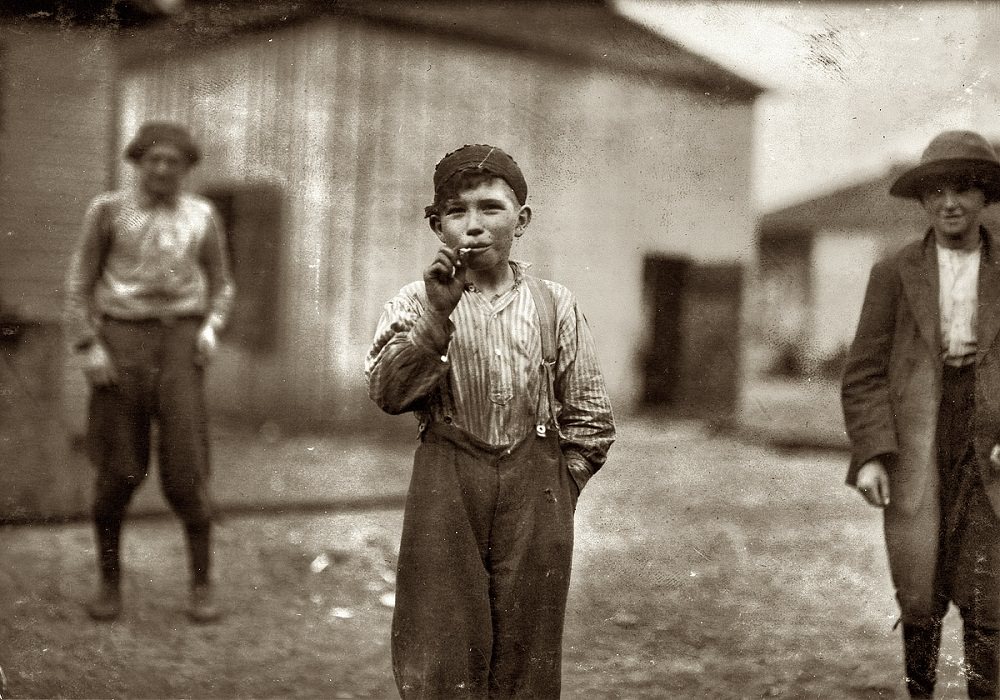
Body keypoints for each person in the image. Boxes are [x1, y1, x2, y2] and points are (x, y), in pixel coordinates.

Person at [365, 144, 615, 698]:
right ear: (437, 226)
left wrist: (558, 486)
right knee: (440, 647)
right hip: (447, 482)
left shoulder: (555, 305)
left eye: (490, 208)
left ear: (521, 220)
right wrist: (436, 316)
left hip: (537, 490)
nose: (473, 226)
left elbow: (592, 420)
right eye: (457, 212)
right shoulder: (415, 302)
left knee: (528, 652)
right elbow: (388, 392)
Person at [842, 130, 1000, 698]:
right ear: (923, 201)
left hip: (990, 447)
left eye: (963, 189)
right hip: (916, 442)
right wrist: (871, 455)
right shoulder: (894, 272)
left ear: (985, 197)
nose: (950, 203)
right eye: (936, 191)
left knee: (989, 594)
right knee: (919, 587)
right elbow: (863, 373)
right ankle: (921, 692)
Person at [64, 121, 234, 623]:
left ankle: (202, 586)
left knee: (186, 472)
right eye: (153, 160)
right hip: (121, 342)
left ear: (186, 168)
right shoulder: (108, 211)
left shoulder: (202, 215)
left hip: (181, 344)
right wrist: (87, 344)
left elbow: (222, 285)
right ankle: (109, 583)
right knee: (119, 471)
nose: (162, 169)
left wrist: (212, 328)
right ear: (137, 162)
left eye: (173, 162)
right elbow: (79, 282)